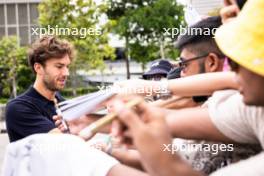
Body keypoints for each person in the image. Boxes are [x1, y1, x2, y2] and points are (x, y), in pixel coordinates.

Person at [110, 0, 264, 175]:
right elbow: (161, 121)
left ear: (212, 62)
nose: (233, 70)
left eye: (238, 58)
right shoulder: (251, 108)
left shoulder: (237, 96)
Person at [5, 36, 74, 142]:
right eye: (59, 66)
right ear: (38, 68)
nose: (66, 73)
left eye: (67, 67)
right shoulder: (18, 108)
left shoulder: (63, 104)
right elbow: (64, 143)